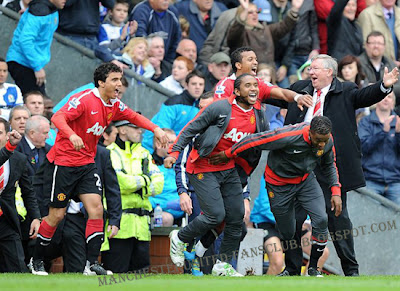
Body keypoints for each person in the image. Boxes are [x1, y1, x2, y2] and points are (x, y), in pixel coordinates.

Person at [29, 62, 168, 276]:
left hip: (87, 164)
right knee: (56, 215)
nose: (119, 84)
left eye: (120, 80)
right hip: (64, 163)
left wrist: (156, 129)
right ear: (101, 82)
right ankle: (36, 259)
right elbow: (57, 117)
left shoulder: (114, 104)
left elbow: (134, 116)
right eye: (114, 80)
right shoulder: (84, 100)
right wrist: (71, 134)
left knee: (96, 210)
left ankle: (91, 263)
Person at [282, 54, 399, 276]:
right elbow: (277, 96)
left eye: (315, 68)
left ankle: (350, 270)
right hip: (297, 163)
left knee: (337, 218)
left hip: (330, 164)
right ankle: (292, 269)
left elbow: (366, 96)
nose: (311, 72)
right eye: (310, 68)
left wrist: (384, 85)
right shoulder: (300, 88)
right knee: (293, 218)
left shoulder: (345, 90)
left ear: (329, 72)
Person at [165, 74, 270, 277]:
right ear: (237, 91)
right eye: (248, 85)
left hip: (229, 169)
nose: (254, 89)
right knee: (215, 215)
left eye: (256, 85)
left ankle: (222, 265)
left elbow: (263, 140)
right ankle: (179, 237)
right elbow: (189, 129)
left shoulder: (259, 114)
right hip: (203, 166)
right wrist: (173, 152)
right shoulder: (220, 108)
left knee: (236, 217)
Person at [211, 116, 342, 277]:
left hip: (305, 181)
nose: (322, 144)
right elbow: (255, 140)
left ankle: (314, 269)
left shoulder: (327, 140)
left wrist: (336, 190)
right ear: (310, 132)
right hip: (279, 185)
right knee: (288, 231)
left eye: (325, 140)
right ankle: (290, 270)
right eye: (318, 140)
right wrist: (229, 153)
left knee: (321, 219)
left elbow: (330, 164)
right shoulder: (288, 135)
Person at [101, 120, 163, 273]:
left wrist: (137, 185)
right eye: (135, 128)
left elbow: (159, 184)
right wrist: (145, 181)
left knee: (140, 277)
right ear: (122, 130)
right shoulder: (110, 152)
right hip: (118, 226)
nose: (140, 132)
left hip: (142, 227)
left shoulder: (144, 153)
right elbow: (120, 183)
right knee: (115, 275)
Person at [214, 47, 313, 112]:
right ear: (238, 65)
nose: (255, 62)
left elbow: (281, 92)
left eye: (256, 59)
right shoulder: (225, 85)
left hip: (252, 137)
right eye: (250, 59)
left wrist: (297, 97)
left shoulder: (259, 83)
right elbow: (218, 112)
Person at [0, 118, 41, 273]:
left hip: (7, 219)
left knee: (18, 269)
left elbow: (28, 191)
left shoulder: (19, 159)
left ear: (7, 135)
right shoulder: (9, 151)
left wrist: (36, 217)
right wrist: (10, 147)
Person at [6, 0, 66, 96]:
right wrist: (37, 67)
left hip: (31, 63)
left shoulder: (52, 10)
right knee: (36, 102)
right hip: (22, 62)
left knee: (40, 102)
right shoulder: (39, 12)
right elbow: (25, 41)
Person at [142, 70, 205, 151]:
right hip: (155, 149)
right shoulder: (173, 103)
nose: (197, 87)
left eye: (201, 84)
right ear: (186, 85)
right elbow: (162, 130)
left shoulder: (201, 106)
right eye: (194, 84)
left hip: (178, 149)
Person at [358, 92, 400, 205]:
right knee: (369, 220)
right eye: (383, 96)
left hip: (396, 182)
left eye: (390, 97)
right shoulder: (365, 122)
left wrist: (398, 134)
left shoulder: (399, 123)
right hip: (371, 180)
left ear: (393, 102)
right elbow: (362, 148)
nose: (386, 99)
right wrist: (383, 132)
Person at [148, 128, 183, 226]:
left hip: (185, 211)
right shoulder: (149, 165)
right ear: (159, 145)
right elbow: (142, 197)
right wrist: (165, 204)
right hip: (160, 212)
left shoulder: (179, 164)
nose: (175, 146)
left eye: (176, 143)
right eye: (171, 142)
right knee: (166, 218)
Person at [359, 31, 400, 105]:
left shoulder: (391, 64)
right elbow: (361, 87)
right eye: (373, 43)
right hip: (366, 107)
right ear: (366, 45)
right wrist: (383, 88)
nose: (376, 46)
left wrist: (384, 88)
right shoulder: (357, 63)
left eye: (379, 43)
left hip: (389, 107)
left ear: (384, 46)